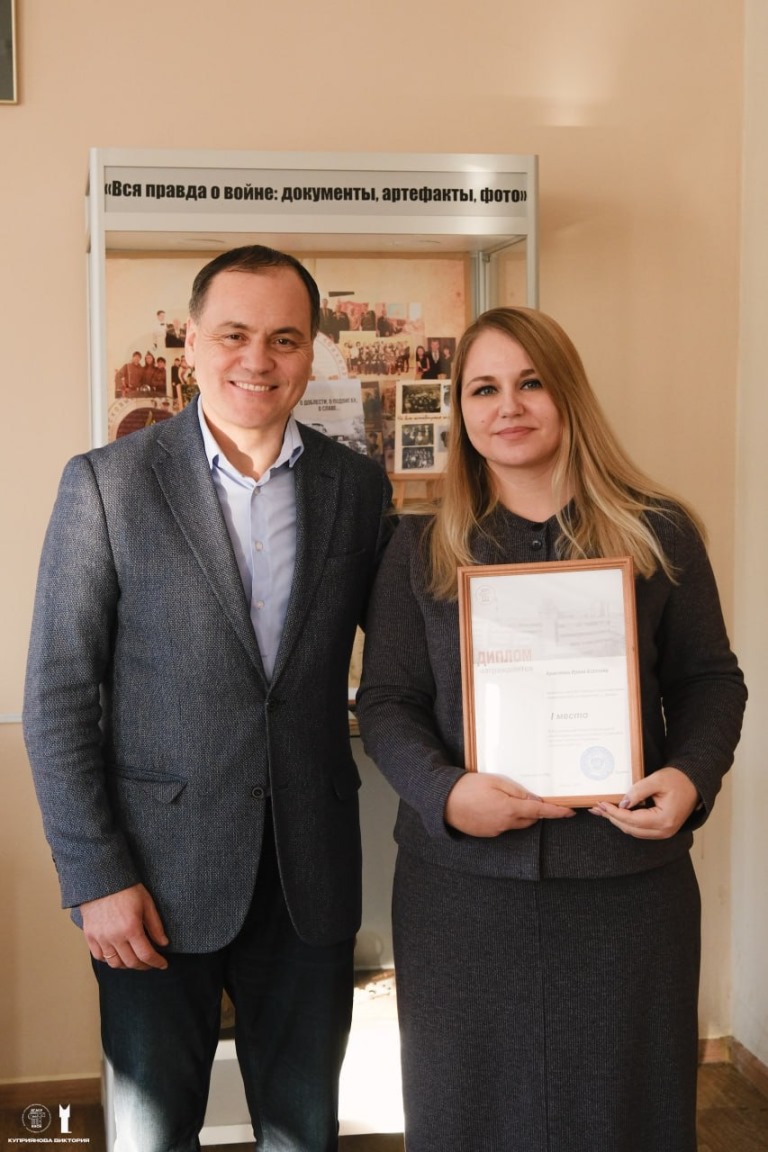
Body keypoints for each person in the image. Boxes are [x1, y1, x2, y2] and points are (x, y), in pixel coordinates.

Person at [23, 244, 393, 1152]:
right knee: (152, 1134)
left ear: (312, 351)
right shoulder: (106, 484)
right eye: (233, 334)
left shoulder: (356, 488)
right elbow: (59, 698)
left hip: (310, 876)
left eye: (284, 339)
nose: (257, 359)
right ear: (191, 344)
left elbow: (400, 662)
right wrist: (95, 877)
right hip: (153, 882)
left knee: (304, 1132)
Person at [356, 306, 746, 1152]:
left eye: (530, 382)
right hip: (462, 896)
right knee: (467, 1118)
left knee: (627, 1116)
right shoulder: (417, 547)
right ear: (460, 410)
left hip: (626, 889)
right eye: (483, 389)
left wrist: (689, 779)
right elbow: (385, 701)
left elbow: (711, 681)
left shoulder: (658, 530)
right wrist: (445, 793)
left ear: (568, 394)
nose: (509, 406)